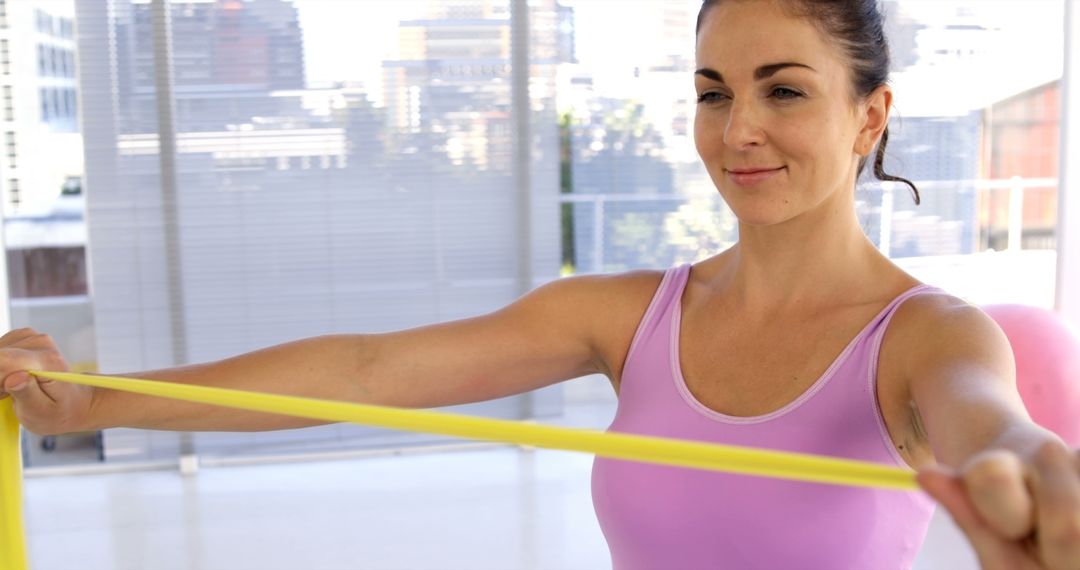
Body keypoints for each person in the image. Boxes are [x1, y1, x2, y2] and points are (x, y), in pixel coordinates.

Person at [2, 0, 1078, 568]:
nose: (737, 129)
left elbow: (994, 428)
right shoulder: (627, 315)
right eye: (713, 92)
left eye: (783, 90)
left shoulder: (928, 338)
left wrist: (1037, 473)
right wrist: (89, 405)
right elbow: (367, 371)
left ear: (871, 116)